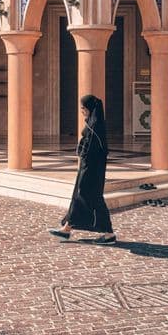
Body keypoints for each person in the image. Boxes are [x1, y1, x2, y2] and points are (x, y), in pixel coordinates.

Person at [48, 94, 116, 244]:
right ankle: (67, 228)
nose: (82, 110)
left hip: (92, 170)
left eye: (83, 108)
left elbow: (94, 150)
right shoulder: (93, 123)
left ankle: (108, 233)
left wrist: (83, 158)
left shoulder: (96, 125)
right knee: (81, 196)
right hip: (88, 168)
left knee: (91, 198)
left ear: (90, 108)